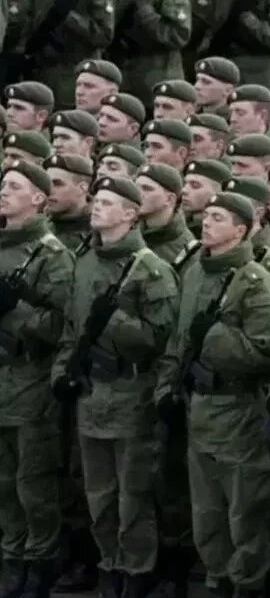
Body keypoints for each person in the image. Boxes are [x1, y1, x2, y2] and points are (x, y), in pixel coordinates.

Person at [153, 191, 270, 598]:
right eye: (207, 215)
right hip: (199, 406)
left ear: (241, 230)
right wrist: (167, 387)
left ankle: (248, 584)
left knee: (245, 508)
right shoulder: (196, 271)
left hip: (239, 409)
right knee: (207, 511)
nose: (207, 223)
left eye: (218, 218)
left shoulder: (255, 282)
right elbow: (179, 338)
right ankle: (217, 579)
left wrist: (215, 336)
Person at [51, 176, 180, 598]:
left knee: (133, 495)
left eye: (108, 203)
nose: (97, 208)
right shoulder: (86, 259)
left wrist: (117, 320)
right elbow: (72, 327)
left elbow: (162, 340)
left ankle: (137, 569)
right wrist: (62, 371)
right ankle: (109, 563)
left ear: (130, 213)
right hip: (91, 393)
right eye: (97, 201)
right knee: (98, 494)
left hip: (131, 393)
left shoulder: (150, 270)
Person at [0, 162, 75, 598]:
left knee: (33, 482)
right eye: (3, 184)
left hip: (30, 378)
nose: (3, 191)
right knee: (3, 482)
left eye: (14, 187)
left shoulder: (52, 254)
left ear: (38, 199)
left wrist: (17, 313)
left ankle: (40, 558)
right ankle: (12, 555)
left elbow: (62, 323)